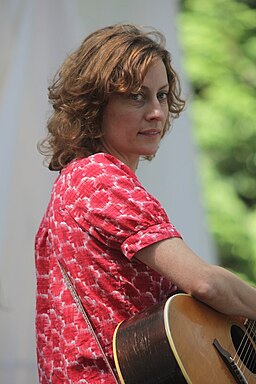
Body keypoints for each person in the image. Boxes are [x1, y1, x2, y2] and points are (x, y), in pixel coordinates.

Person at [35, 23, 256, 384]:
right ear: (94, 104)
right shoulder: (101, 179)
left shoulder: (79, 179)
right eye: (136, 96)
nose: (156, 111)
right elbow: (206, 284)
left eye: (163, 95)